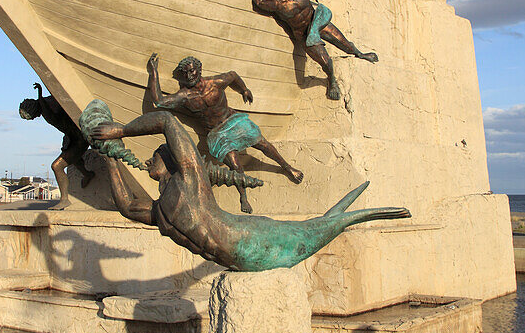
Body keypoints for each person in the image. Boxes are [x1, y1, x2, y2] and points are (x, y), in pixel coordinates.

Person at [88, 108, 409, 271]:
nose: (148, 160)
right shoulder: (162, 210)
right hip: (239, 259)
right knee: (319, 228)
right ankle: (340, 218)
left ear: (171, 159)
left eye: (155, 154)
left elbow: (168, 121)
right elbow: (128, 206)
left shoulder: (190, 178)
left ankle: (353, 216)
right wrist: (110, 159)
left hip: (252, 239)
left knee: (314, 232)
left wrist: (123, 130)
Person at [146, 53, 302, 214]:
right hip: (216, 133)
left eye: (192, 71)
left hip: (233, 121)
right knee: (235, 164)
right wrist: (154, 73)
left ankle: (287, 167)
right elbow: (159, 101)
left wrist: (244, 89)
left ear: (199, 70)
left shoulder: (215, 83)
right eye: (185, 73)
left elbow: (233, 75)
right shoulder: (184, 96)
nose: (189, 76)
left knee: (262, 143)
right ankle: (243, 196)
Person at [251, 0, 378, 101]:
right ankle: (332, 81)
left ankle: (361, 54)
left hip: (317, 22)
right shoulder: (278, 4)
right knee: (326, 61)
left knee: (345, 44)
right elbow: (259, 1)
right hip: (305, 35)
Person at [19, 82, 95, 209]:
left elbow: (54, 111)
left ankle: (64, 199)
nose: (33, 119)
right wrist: (41, 94)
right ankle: (88, 174)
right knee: (73, 159)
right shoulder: (48, 103)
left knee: (57, 166)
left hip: (80, 138)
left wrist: (40, 94)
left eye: (31, 117)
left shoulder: (46, 110)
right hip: (73, 138)